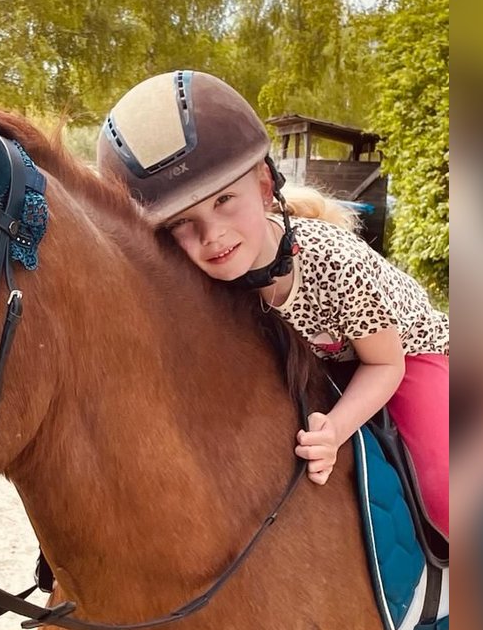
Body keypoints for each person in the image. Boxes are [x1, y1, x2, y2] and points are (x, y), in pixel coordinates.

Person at [97, 71, 449, 537]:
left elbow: (384, 366)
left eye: (225, 199)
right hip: (324, 355)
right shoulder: (208, 276)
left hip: (407, 353)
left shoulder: (336, 265)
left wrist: (333, 432)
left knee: (443, 487)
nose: (212, 235)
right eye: (181, 223)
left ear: (264, 186)